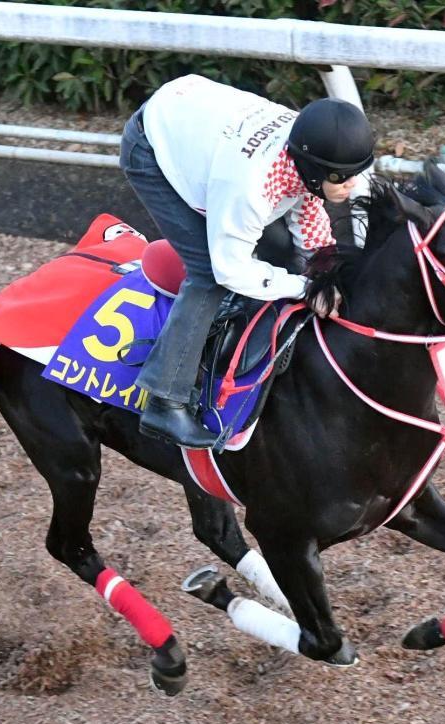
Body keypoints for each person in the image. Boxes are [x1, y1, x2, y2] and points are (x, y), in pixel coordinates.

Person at [119, 74, 375, 449]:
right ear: (316, 169)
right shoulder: (249, 186)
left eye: (357, 172)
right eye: (343, 176)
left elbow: (308, 211)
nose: (353, 184)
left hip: (198, 121)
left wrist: (327, 274)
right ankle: (164, 399)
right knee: (208, 275)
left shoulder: (304, 151)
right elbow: (230, 268)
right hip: (151, 145)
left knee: (279, 247)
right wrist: (307, 288)